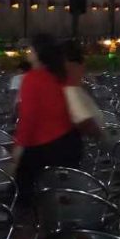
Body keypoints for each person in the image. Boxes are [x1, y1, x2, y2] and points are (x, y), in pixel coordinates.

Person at [12, 35, 92, 205]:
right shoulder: (63, 75)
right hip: (68, 141)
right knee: (63, 194)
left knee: (22, 193)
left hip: (42, 144)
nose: (28, 52)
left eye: (31, 49)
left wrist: (19, 146)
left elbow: (28, 117)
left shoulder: (32, 78)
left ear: (39, 53)